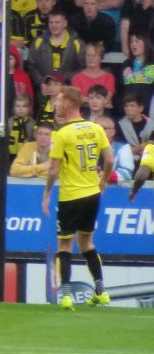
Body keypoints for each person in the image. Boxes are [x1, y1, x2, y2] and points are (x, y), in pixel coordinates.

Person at [45, 86, 112, 309]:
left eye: (59, 100)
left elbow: (53, 170)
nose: (56, 104)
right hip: (92, 194)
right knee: (87, 242)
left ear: (69, 105)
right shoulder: (96, 128)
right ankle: (101, 291)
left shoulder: (62, 133)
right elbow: (109, 161)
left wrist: (46, 195)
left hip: (71, 194)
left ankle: (65, 295)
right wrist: (102, 183)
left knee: (64, 244)